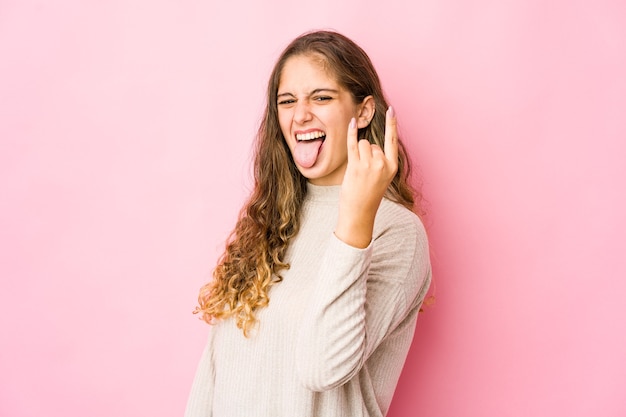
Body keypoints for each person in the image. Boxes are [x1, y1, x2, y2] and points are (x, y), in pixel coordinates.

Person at [185, 30, 432, 417]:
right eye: (288, 101)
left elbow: (323, 367)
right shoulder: (270, 219)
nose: (301, 115)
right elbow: (215, 372)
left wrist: (355, 216)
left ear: (364, 111)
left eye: (321, 97)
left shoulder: (395, 231)